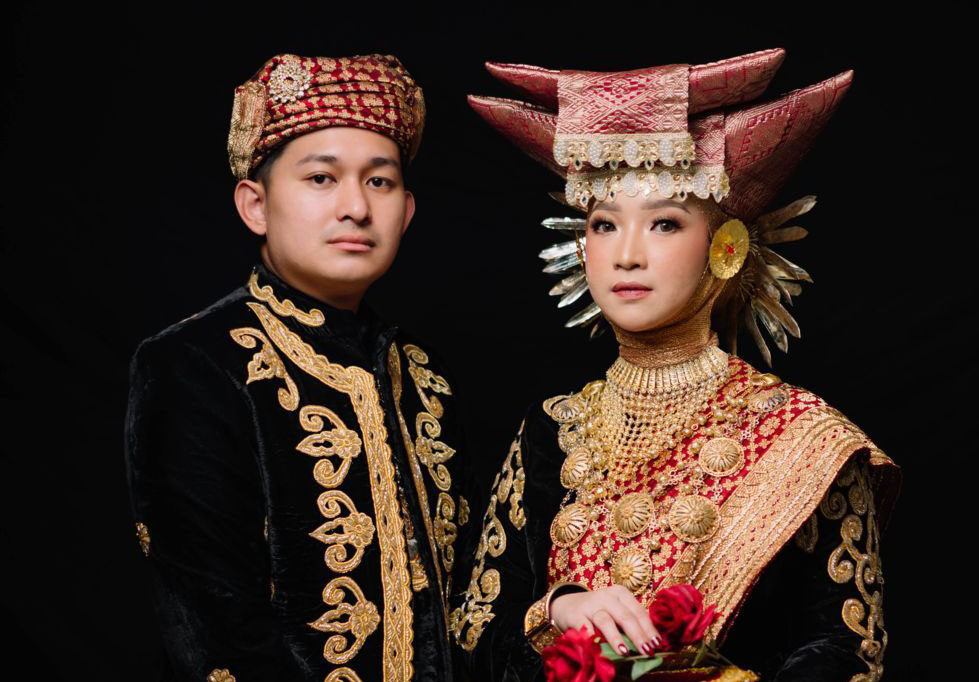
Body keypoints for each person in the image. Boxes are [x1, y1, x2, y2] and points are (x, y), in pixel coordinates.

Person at [452, 49, 901, 682]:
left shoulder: (804, 439)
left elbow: (849, 654)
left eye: (664, 224)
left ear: (726, 249)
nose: (626, 255)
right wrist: (558, 611)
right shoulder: (550, 430)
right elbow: (470, 635)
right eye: (604, 225)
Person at [124, 53, 469, 682]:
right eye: (320, 178)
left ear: (407, 211)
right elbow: (216, 633)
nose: (355, 207)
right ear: (255, 205)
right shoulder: (195, 364)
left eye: (380, 182)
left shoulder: (422, 373)